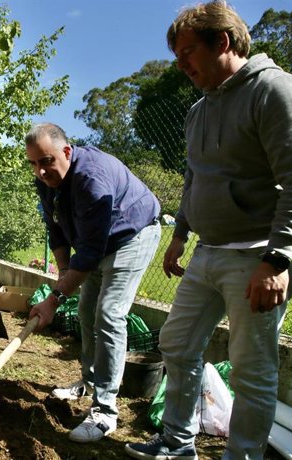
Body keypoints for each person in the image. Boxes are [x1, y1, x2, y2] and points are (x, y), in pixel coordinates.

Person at [125, 2, 292, 459]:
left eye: (186, 53)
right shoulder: (198, 111)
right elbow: (196, 177)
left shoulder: (274, 90)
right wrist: (180, 233)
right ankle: (177, 443)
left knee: (251, 372)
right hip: (208, 251)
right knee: (176, 345)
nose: (181, 66)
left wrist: (278, 260)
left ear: (221, 42)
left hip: (257, 256)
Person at [25, 122, 161, 443]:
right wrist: (61, 274)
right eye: (33, 163)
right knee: (87, 311)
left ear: (67, 152)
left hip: (132, 235)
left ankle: (105, 411)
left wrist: (54, 299)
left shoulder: (91, 179)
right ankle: (88, 381)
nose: (41, 171)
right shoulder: (46, 181)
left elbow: (89, 253)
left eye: (46, 161)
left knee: (110, 313)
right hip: (100, 241)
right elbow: (55, 228)